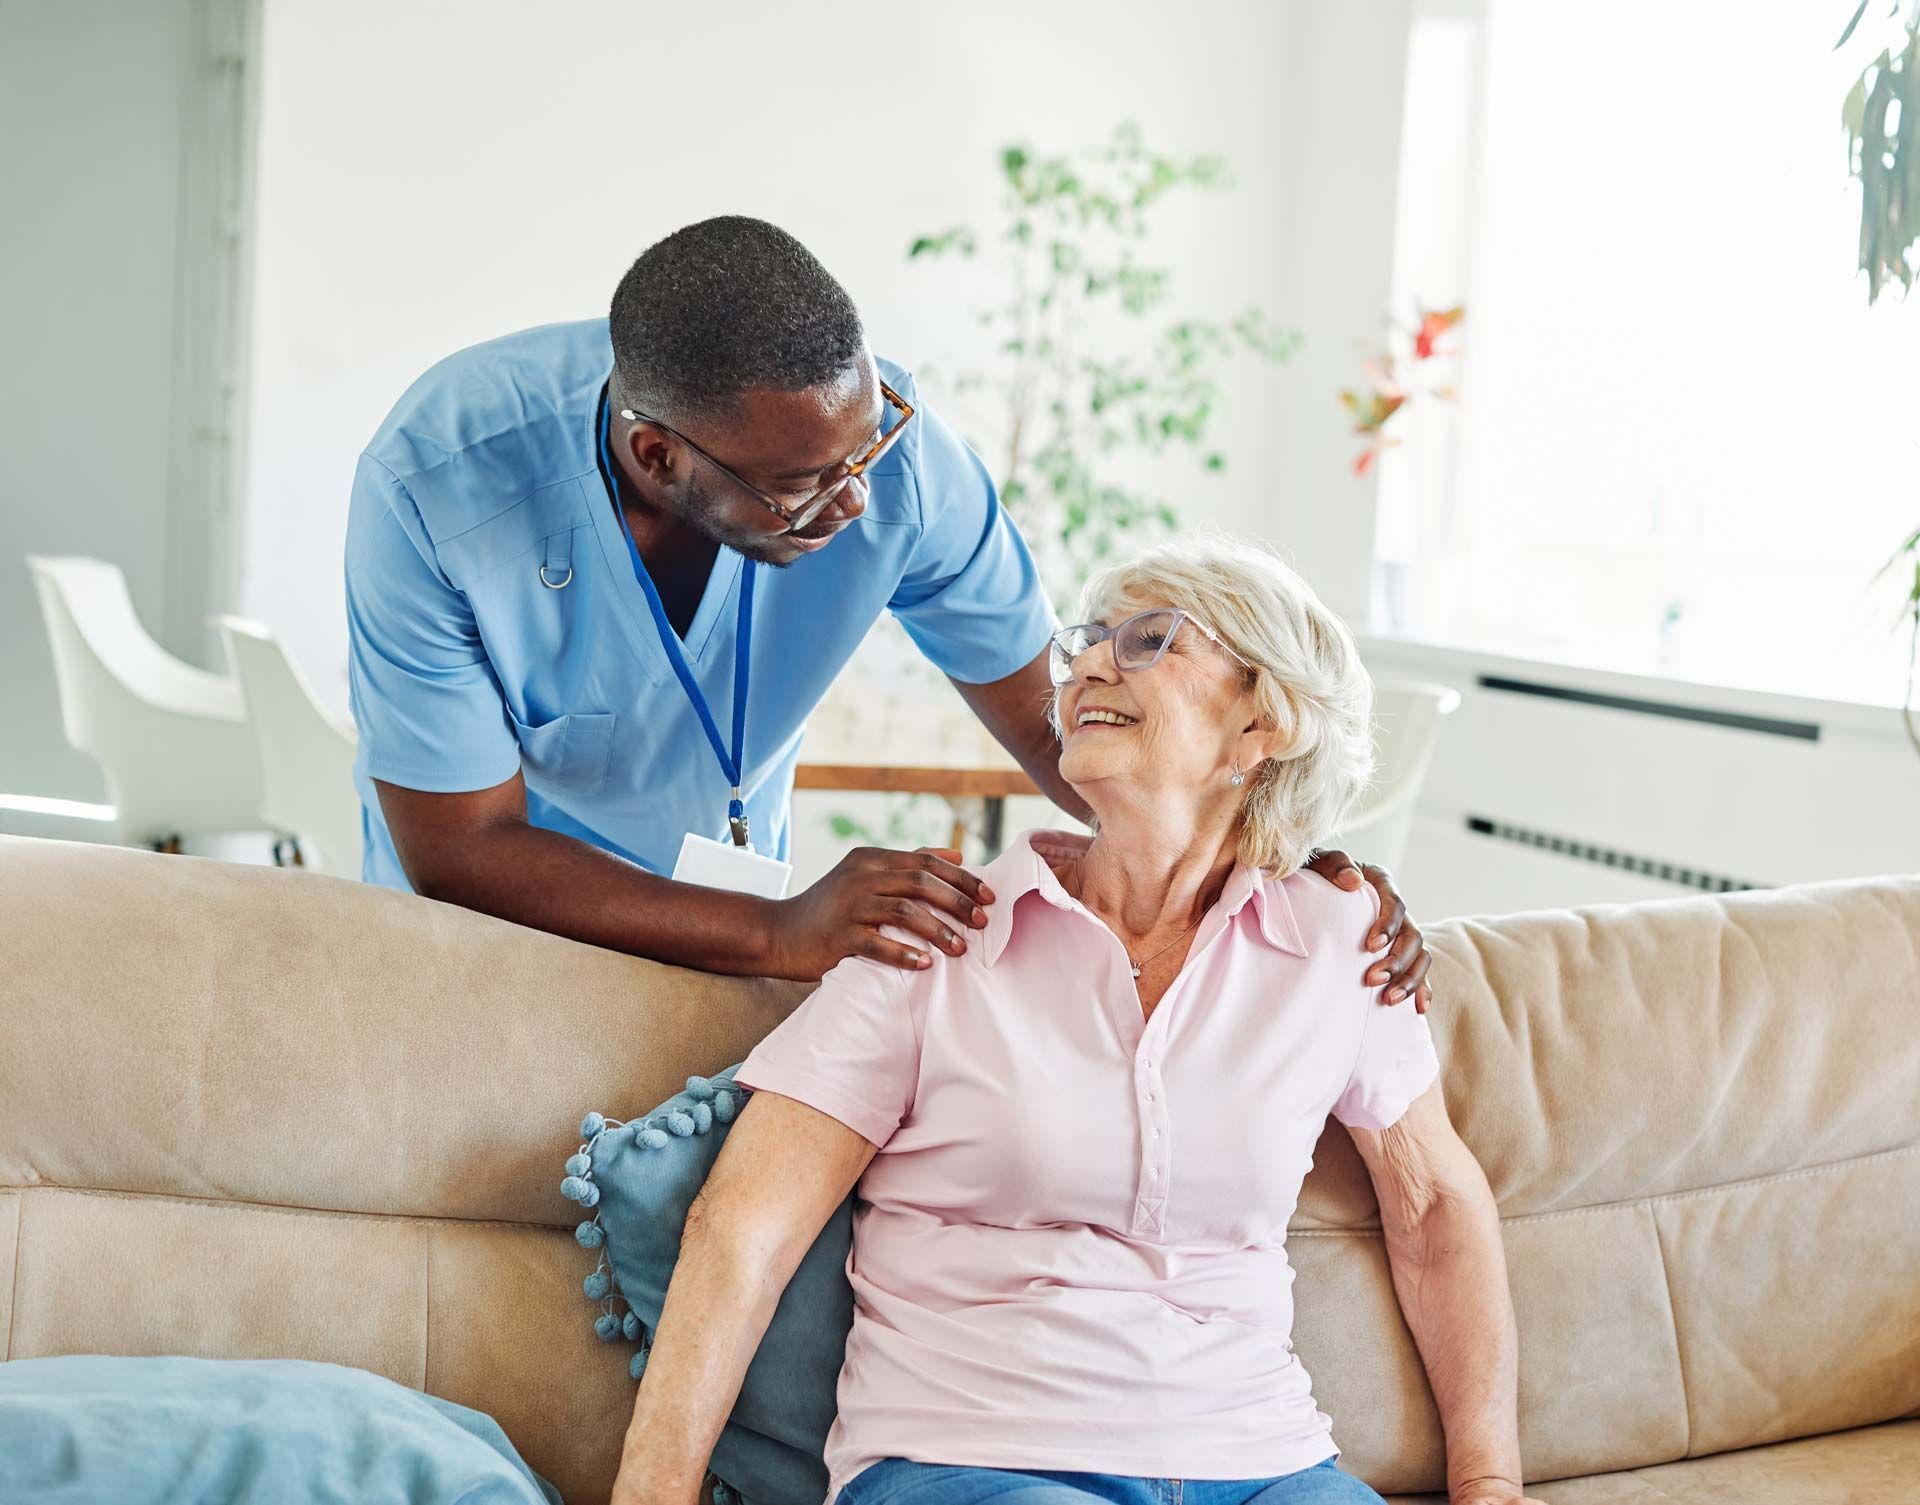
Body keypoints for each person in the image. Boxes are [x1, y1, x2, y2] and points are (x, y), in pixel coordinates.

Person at [609, 535, 1543, 1505]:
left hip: (1266, 1463)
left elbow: (1433, 1205)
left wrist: (1490, 1481)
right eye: (1085, 642)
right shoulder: (936, 934)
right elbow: (743, 1225)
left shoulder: (1342, 941)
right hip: (974, 1459)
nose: (1090, 661)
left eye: (1148, 639)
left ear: (1262, 719)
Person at [344, 215, 1434, 994]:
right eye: (804, 485)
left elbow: (1058, 727)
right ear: (657, 455)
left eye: (867, 444)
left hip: (728, 948)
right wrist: (780, 929)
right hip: (491, 947)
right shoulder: (440, 482)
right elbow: (462, 845)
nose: (855, 495)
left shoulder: (900, 469)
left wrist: (1274, 860)